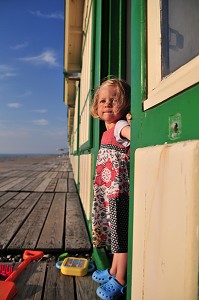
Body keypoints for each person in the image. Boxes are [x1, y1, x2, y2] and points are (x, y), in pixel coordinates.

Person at [90, 77, 131, 300]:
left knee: (120, 235)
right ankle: (114, 270)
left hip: (118, 191)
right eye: (103, 100)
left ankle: (121, 279)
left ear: (124, 104)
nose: (107, 104)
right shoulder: (108, 130)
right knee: (115, 232)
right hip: (109, 191)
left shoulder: (121, 126)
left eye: (113, 100)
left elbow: (135, 137)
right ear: (96, 107)